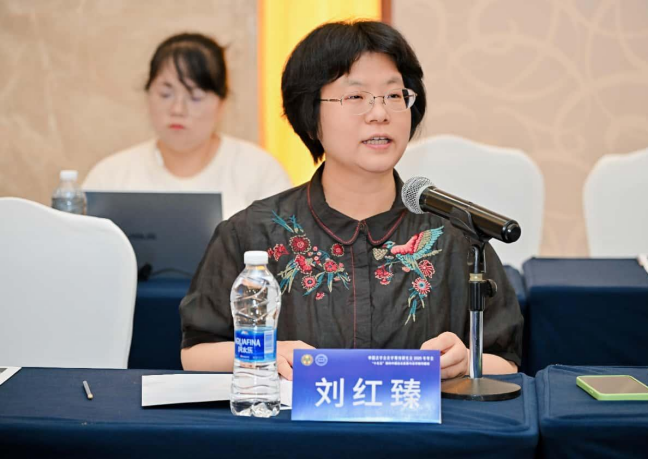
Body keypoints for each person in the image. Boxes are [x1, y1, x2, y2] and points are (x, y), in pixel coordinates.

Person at [180, 21, 523, 380]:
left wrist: (465, 363)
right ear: (310, 116)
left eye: (394, 95)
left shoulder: (456, 234)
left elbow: (507, 359)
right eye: (356, 97)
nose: (380, 113)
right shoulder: (253, 231)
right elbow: (196, 352)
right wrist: (267, 351)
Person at [83, 33, 291, 220]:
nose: (177, 109)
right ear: (148, 94)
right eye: (165, 94)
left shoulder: (260, 172)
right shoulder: (110, 176)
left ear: (221, 103)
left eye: (195, 96)